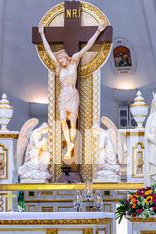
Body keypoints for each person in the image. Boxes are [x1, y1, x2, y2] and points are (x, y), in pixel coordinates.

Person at [38, 22, 108, 159]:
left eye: (61, 58)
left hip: (73, 94)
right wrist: (41, 34)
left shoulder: (74, 61)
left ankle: (72, 145)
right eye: (58, 59)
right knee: (63, 120)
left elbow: (88, 46)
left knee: (73, 122)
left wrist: (99, 31)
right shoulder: (59, 68)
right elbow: (47, 50)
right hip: (63, 95)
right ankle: (69, 144)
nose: (60, 61)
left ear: (66, 57)